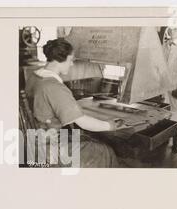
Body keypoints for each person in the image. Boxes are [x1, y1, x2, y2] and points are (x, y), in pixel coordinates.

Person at [24, 38, 123, 168]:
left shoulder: (34, 77)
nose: (71, 64)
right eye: (71, 60)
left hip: (35, 142)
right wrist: (110, 125)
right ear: (60, 60)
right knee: (105, 150)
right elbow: (83, 122)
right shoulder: (54, 86)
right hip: (50, 149)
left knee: (88, 139)